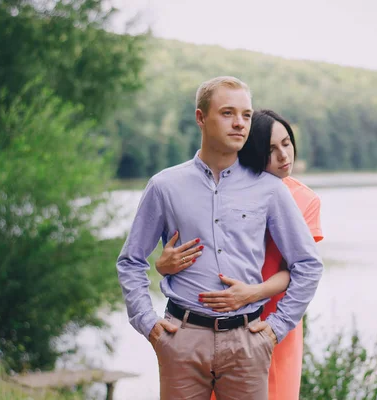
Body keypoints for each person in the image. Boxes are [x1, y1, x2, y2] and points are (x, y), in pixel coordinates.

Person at [116, 76, 323, 400]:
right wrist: (148, 324)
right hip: (181, 339)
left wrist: (276, 329)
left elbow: (308, 265)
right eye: (228, 113)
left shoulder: (270, 190)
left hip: (248, 341)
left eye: (246, 115)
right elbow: (131, 261)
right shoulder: (165, 186)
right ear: (201, 118)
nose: (239, 123)